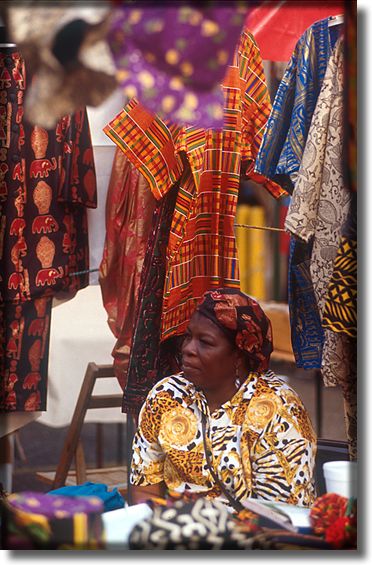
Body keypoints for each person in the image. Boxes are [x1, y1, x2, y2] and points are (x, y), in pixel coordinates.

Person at [129, 288, 317, 511]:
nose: (188, 349)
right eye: (189, 336)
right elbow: (144, 487)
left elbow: (280, 516)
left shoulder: (278, 409)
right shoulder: (167, 395)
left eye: (205, 342)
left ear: (239, 354)